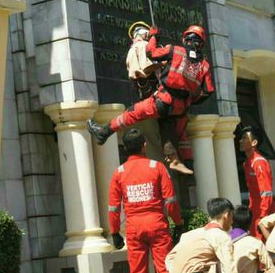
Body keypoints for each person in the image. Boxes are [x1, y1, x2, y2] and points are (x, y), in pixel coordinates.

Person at [88, 25, 214, 175]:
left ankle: (104, 132)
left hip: (164, 99)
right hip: (180, 108)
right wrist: (191, 100)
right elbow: (208, 91)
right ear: (201, 44)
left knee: (132, 113)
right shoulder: (204, 66)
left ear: (185, 39)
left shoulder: (176, 50)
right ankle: (176, 161)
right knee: (168, 128)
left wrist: (154, 36)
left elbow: (151, 52)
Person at [108, 129, 184, 273]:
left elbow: (114, 207)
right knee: (165, 270)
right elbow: (170, 201)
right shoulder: (156, 167)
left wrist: (114, 232)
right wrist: (178, 222)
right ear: (144, 146)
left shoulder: (119, 173)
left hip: (134, 229)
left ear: (125, 148)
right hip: (157, 225)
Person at [239, 126, 275, 239]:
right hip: (254, 211)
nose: (240, 141)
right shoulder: (247, 164)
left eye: (244, 138)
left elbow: (266, 192)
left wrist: (263, 216)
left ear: (254, 142)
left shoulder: (259, 163)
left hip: (263, 212)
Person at [125, 21, 160, 99]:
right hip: (153, 87)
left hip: (142, 90)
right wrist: (163, 64)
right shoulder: (143, 45)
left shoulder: (132, 49)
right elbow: (147, 68)